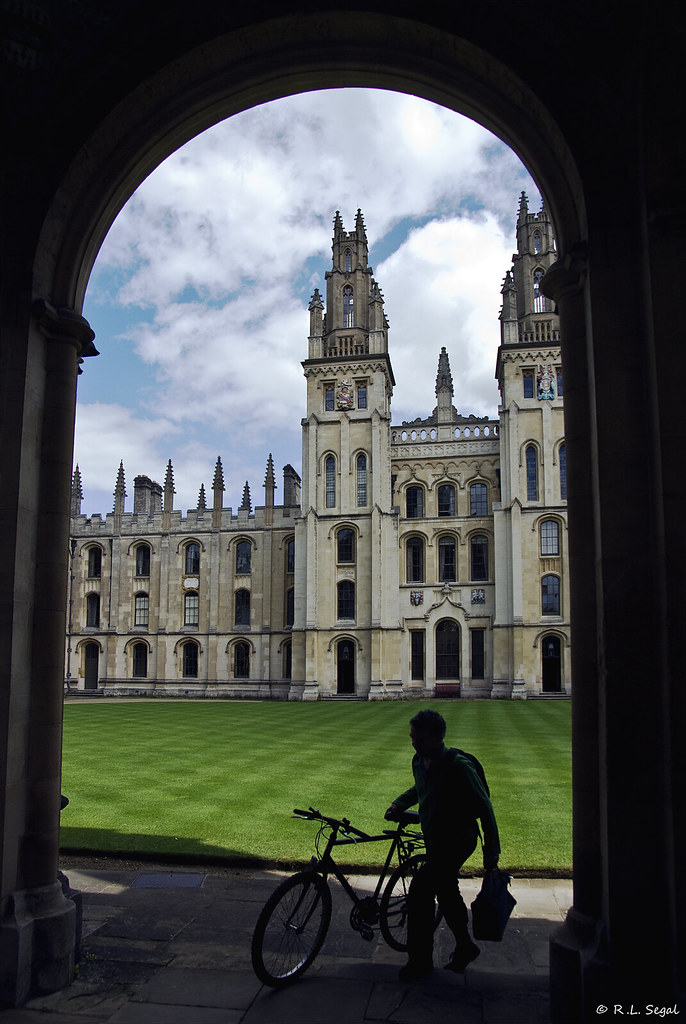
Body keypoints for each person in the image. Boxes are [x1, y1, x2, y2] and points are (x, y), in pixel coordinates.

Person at [386, 709, 500, 982]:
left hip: (459, 840)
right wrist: (399, 803)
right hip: (436, 838)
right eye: (412, 738)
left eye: (420, 739)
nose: (414, 743)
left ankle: (420, 960)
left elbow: (484, 806)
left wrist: (491, 851)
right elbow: (420, 788)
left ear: (437, 738)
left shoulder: (458, 765)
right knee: (447, 891)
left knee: (421, 890)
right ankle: (465, 946)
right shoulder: (419, 760)